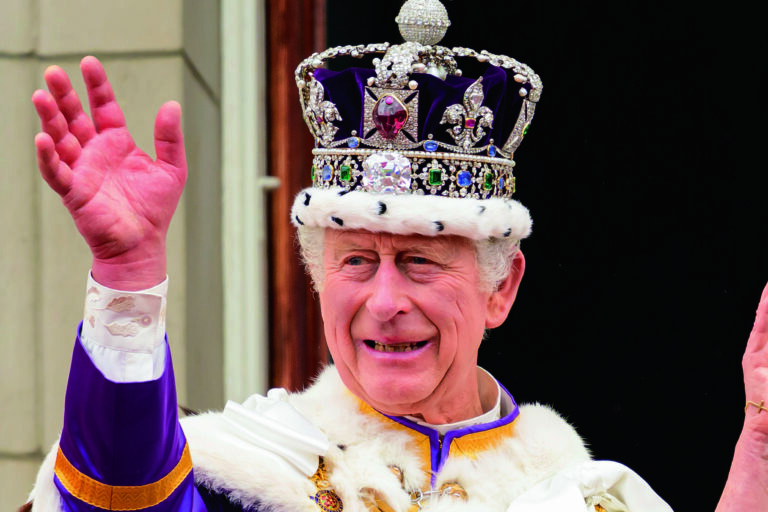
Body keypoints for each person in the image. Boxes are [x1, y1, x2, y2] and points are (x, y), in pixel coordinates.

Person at [23, 4, 768, 511]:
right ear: (317, 282)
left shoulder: (575, 493)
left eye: (418, 262)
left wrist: (760, 440)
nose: (383, 301)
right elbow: (122, 494)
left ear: (500, 289)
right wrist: (129, 277)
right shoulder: (247, 472)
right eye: (355, 262)